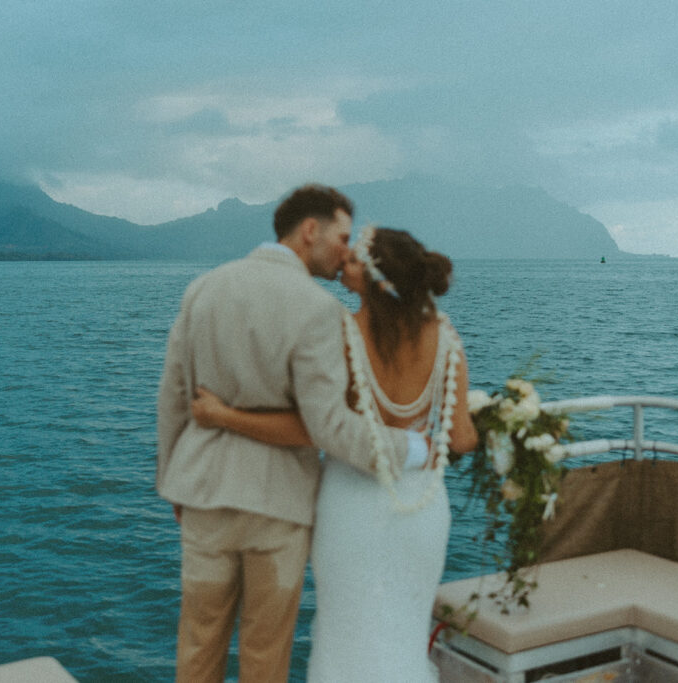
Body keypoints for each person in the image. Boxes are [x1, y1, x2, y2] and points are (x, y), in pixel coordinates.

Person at [156, 185, 432, 682]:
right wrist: (410, 447)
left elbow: (174, 397)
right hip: (276, 507)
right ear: (310, 230)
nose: (347, 251)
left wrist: (170, 480)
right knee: (265, 656)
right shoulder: (316, 309)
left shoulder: (203, 287)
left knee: (197, 645)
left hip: (200, 494)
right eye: (343, 236)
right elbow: (328, 428)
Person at [190, 226, 479, 682]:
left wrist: (225, 416)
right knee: (404, 628)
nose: (342, 260)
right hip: (422, 505)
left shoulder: (339, 335)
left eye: (352, 258)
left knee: (345, 631)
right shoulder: (444, 335)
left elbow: (309, 430)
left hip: (351, 503)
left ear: (371, 274)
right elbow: (461, 439)